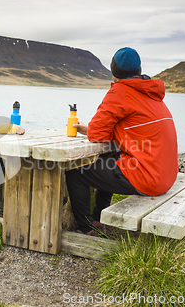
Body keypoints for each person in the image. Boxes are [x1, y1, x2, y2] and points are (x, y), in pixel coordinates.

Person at [65, 47, 178, 235]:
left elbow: (97, 134)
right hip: (166, 176)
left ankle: (87, 228)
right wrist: (94, 130)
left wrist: (89, 130)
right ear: (139, 70)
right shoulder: (151, 93)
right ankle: (99, 217)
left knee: (76, 170)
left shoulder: (121, 91)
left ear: (114, 71)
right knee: (113, 158)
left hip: (149, 179)